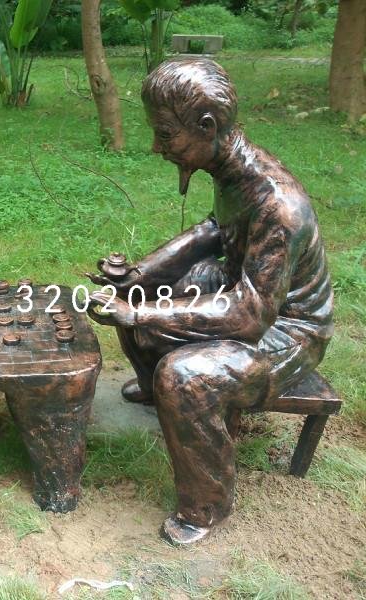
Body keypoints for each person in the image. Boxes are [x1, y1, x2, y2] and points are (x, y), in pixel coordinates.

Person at [87, 58, 334, 545]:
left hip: (288, 330)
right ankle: (155, 391)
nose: (156, 146)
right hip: (245, 289)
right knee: (140, 293)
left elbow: (249, 315)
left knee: (186, 376)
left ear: (206, 127)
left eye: (165, 134)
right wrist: (139, 276)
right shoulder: (231, 169)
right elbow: (212, 232)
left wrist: (139, 313)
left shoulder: (277, 205)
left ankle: (206, 505)